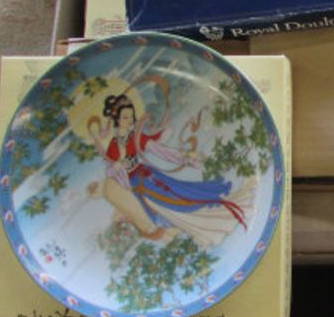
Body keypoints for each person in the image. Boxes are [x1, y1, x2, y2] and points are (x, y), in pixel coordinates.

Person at [87, 93, 253, 247]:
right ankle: (198, 230)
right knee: (164, 211)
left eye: (131, 116)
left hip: (148, 178)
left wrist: (185, 156)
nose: (130, 120)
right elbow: (111, 171)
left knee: (180, 199)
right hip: (136, 186)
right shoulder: (113, 146)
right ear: (116, 119)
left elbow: (161, 151)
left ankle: (215, 220)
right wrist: (116, 166)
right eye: (125, 117)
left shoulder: (136, 138)